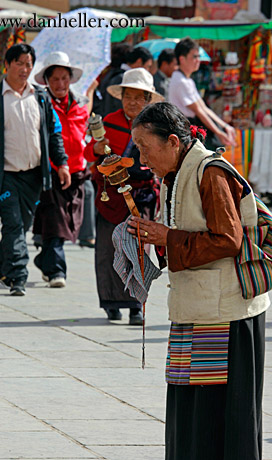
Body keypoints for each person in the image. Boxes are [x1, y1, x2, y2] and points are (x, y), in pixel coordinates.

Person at [128, 102, 270, 460]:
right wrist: (154, 238)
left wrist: (167, 238)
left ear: (173, 142)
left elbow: (229, 240)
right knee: (187, 390)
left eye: (145, 147)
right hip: (194, 302)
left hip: (226, 307)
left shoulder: (210, 172)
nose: (142, 159)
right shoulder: (174, 174)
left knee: (220, 396)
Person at [0, 43, 70, 296]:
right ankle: (17, 276)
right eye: (20, 63)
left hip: (34, 175)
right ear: (8, 64)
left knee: (21, 225)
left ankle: (1, 267)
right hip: (5, 177)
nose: (25, 69)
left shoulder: (41, 97)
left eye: (29, 64)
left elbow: (54, 133)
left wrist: (62, 164)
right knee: (13, 225)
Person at [84, 68, 163, 324]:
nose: (132, 102)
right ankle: (111, 301)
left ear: (148, 99)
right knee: (109, 248)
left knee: (140, 249)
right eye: (128, 96)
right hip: (112, 196)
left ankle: (136, 305)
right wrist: (95, 148)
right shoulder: (108, 121)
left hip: (141, 197)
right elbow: (88, 153)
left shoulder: (155, 125)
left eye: (138, 97)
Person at [32, 51, 97, 288]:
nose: (60, 84)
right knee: (56, 220)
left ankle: (44, 259)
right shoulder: (40, 105)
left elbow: (85, 135)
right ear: (47, 82)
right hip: (51, 171)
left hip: (78, 170)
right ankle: (57, 271)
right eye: (55, 79)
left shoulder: (81, 104)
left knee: (69, 222)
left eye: (64, 78)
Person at [168, 38, 236, 149]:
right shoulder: (180, 80)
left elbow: (203, 108)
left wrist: (224, 126)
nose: (198, 60)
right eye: (194, 56)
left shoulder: (187, 80)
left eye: (199, 56)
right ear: (182, 59)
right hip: (187, 130)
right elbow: (199, 111)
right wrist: (219, 132)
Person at [103, 47, 153, 117]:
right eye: (147, 66)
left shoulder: (113, 73)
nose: (148, 70)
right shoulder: (120, 78)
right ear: (139, 61)